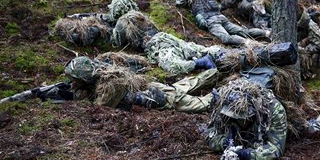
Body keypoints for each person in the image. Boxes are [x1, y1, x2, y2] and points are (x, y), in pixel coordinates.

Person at [64, 55, 217, 113]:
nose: (73, 82)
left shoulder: (110, 86)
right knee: (188, 83)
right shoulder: (102, 70)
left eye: (75, 80)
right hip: (154, 87)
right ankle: (215, 71)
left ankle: (226, 93)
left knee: (203, 104)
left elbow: (99, 107)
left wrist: (79, 95)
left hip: (163, 98)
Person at [162, 0, 271, 46]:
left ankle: (249, 43)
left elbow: (179, 4)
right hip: (221, 17)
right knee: (243, 31)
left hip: (211, 20)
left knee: (226, 38)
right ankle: (267, 33)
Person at [206, 77, 287, 160]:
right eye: (233, 117)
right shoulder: (222, 104)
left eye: (242, 117)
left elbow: (276, 148)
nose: (238, 120)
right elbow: (210, 135)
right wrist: (223, 142)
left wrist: (250, 156)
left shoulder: (274, 109)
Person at [144, 32, 298, 76]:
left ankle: (279, 53)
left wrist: (199, 62)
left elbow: (172, 65)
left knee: (245, 60)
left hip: (216, 57)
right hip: (216, 53)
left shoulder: (160, 46)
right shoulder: (165, 39)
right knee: (247, 60)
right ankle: (280, 54)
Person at [53, 0, 139, 46]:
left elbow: (77, 37)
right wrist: (77, 16)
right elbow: (102, 16)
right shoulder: (131, 20)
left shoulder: (124, 28)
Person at [297, 7, 320, 79]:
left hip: (314, 48)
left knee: (297, 53)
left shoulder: (311, 26)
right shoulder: (302, 21)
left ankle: (306, 73)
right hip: (308, 43)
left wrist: (302, 49)